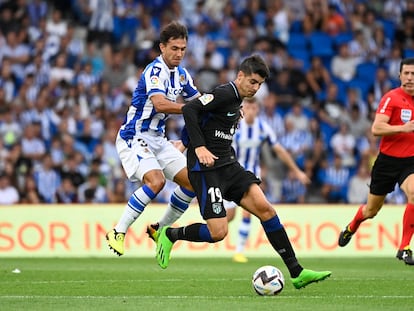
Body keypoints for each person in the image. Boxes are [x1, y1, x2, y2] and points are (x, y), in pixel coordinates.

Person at [155, 54, 331, 289]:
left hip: (229, 166)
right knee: (218, 232)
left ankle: (297, 272)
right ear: (240, 76)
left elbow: (204, 118)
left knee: (266, 210)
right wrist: (197, 147)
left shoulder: (237, 100)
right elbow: (190, 111)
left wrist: (188, 141)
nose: (256, 88)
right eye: (252, 82)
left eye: (259, 84)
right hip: (206, 170)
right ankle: (170, 235)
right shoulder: (224, 93)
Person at [105, 21, 200, 256]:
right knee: (156, 181)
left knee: (193, 182)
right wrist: (194, 109)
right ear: (162, 47)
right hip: (134, 135)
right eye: (174, 48)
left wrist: (226, 105)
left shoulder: (182, 75)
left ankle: (160, 228)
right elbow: (160, 103)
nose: (179, 54)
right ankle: (118, 231)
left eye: (183, 49)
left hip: (158, 138)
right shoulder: (153, 71)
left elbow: (200, 99)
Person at [338, 57, 414, 265]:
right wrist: (403, 128)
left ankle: (404, 247)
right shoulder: (392, 98)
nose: (409, 78)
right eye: (406, 73)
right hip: (387, 162)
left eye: (413, 74)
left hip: (411, 162)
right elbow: (376, 128)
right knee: (371, 210)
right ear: (399, 75)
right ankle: (352, 226)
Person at [224, 97, 311, 263]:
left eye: (254, 107)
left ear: (257, 109)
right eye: (248, 106)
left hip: (251, 175)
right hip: (231, 173)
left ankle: (239, 251)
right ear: (243, 108)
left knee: (249, 212)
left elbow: (279, 150)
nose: (250, 110)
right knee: (229, 216)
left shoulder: (263, 127)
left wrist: (297, 171)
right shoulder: (235, 126)